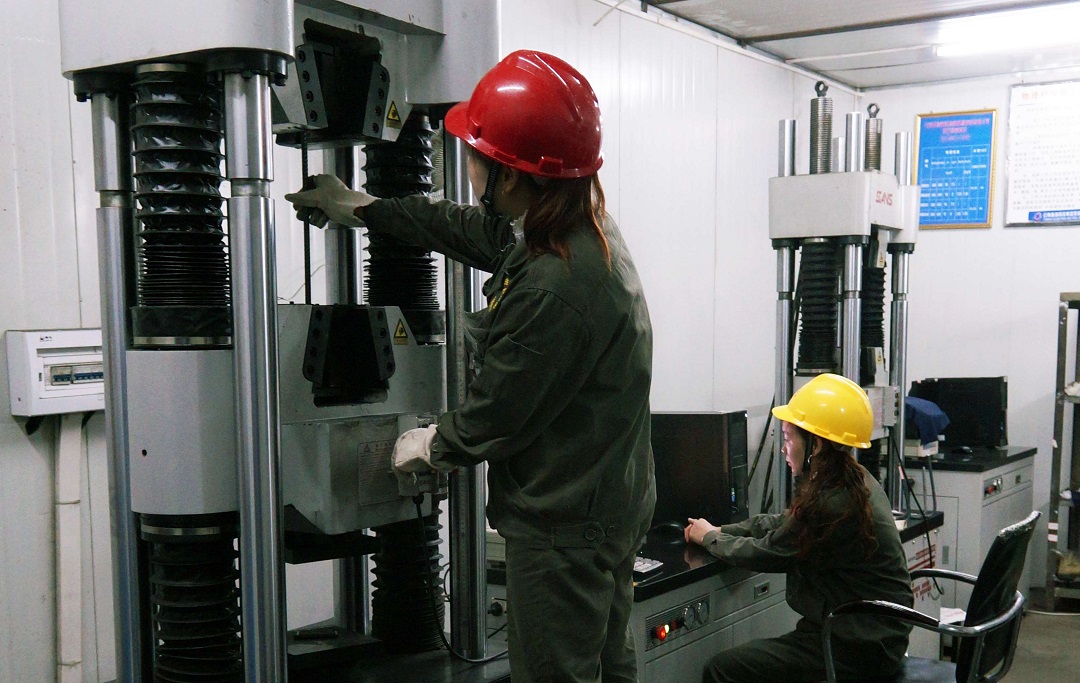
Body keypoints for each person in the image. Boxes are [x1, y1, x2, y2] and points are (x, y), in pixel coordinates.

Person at [285, 50, 655, 683]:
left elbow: (500, 412)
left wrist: (433, 444)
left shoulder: (556, 285)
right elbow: (463, 228)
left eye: (477, 153)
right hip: (606, 508)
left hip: (564, 532)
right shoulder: (569, 225)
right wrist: (364, 208)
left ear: (510, 176)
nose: (468, 163)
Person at [684, 373, 913, 683]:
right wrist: (723, 529)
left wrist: (711, 539)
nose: (784, 448)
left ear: (815, 445)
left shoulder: (833, 504)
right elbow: (784, 522)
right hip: (870, 635)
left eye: (789, 438)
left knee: (722, 669)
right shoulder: (852, 479)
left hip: (856, 647)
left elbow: (768, 552)